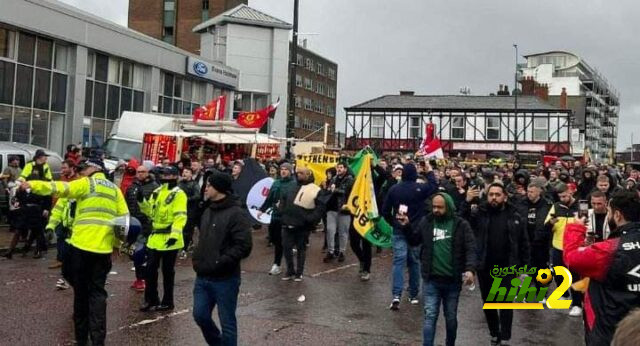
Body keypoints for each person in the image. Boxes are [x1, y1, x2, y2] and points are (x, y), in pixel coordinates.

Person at [20, 158, 128, 346]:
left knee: (81, 294)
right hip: (102, 251)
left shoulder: (86, 183)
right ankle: (98, 341)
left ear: (94, 168)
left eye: (84, 168)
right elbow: (124, 221)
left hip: (81, 248)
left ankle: (81, 340)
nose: (81, 172)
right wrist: (117, 245)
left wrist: (32, 184)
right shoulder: (115, 190)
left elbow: (60, 188)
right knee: (98, 295)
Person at [399, 192, 477, 346]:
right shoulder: (427, 222)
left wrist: (470, 269)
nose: (436, 210)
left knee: (450, 318)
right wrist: (407, 226)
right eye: (434, 206)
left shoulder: (461, 225)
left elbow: (470, 248)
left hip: (452, 281)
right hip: (431, 280)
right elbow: (415, 240)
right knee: (430, 316)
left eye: (440, 207)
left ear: (448, 207)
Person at [563, 190, 640, 345]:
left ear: (617, 215)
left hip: (608, 327)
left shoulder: (608, 250)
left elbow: (571, 258)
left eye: (609, 212)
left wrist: (576, 228)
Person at [461, 183, 529, 346]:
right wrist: (467, 201)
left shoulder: (515, 215)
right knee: (489, 303)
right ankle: (494, 333)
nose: (494, 197)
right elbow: (461, 222)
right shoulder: (480, 213)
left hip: (507, 267)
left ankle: (505, 337)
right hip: (486, 266)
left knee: (506, 302)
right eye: (491, 194)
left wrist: (524, 269)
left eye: (497, 194)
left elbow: (523, 243)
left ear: (504, 196)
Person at [192, 172, 252, 346]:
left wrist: (221, 261)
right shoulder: (208, 209)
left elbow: (244, 246)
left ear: (218, 188)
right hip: (203, 275)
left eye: (209, 185)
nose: (206, 188)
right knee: (200, 315)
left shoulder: (236, 213)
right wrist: (198, 258)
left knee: (227, 322)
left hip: (226, 278)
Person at [382, 161, 438, 310]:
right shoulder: (419, 188)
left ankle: (396, 295)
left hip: (399, 230)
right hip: (415, 230)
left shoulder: (394, 189)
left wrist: (394, 223)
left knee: (398, 263)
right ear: (414, 175)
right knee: (414, 262)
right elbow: (434, 186)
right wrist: (429, 171)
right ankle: (413, 294)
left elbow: (385, 210)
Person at [140, 166, 187, 312]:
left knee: (167, 272)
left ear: (174, 176)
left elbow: (180, 216)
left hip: (169, 238)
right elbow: (150, 212)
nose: (163, 177)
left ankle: (168, 301)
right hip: (155, 237)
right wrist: (141, 201)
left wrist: (174, 235)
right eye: (162, 174)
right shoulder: (157, 192)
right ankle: (151, 299)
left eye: (166, 174)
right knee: (150, 270)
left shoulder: (179, 194)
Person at [279, 167, 326, 281]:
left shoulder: (315, 189)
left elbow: (320, 207)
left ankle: (299, 272)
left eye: (301, 173)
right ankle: (290, 270)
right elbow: (283, 200)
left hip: (302, 225)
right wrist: (282, 213)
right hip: (288, 222)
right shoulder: (291, 186)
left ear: (308, 174)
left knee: (301, 248)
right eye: (298, 173)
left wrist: (310, 219)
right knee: (286, 247)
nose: (298, 175)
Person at [544, 183, 583, 317]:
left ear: (571, 192)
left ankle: (577, 304)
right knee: (558, 272)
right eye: (560, 196)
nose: (563, 199)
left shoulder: (580, 207)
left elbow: (588, 224)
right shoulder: (555, 207)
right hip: (558, 246)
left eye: (565, 196)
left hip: (574, 248)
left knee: (575, 276)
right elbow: (546, 226)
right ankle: (565, 294)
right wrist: (551, 223)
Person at [125, 164, 159, 292]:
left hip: (147, 226)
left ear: (148, 172)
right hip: (133, 225)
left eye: (143, 172)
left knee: (143, 253)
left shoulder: (155, 187)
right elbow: (126, 203)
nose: (140, 174)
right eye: (138, 172)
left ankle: (143, 279)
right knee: (133, 252)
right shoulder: (132, 186)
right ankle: (139, 278)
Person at [258, 162, 297, 275]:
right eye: (282, 169)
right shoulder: (276, 183)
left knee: (284, 242)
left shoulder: (294, 184)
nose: (283, 171)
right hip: (275, 216)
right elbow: (269, 198)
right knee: (275, 240)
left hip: (287, 217)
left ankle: (278, 264)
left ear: (290, 171)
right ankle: (280, 261)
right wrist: (262, 209)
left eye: (286, 169)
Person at [18, 149, 53, 258]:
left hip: (42, 197)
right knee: (34, 227)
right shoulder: (30, 166)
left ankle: (37, 249)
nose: (46, 158)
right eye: (44, 156)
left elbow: (49, 183)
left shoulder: (46, 167)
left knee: (38, 227)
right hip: (30, 197)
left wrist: (47, 207)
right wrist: (21, 187)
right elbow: (22, 177)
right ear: (38, 157)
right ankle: (35, 247)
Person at [519, 179, 552, 290]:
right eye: (528, 191)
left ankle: (542, 291)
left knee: (542, 268)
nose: (529, 194)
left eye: (532, 192)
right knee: (526, 267)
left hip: (541, 242)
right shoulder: (521, 204)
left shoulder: (547, 205)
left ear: (538, 192)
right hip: (525, 241)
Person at [324, 162, 354, 263]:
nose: (339, 169)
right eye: (338, 167)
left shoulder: (349, 178)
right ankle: (331, 251)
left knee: (343, 232)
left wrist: (334, 189)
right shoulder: (334, 178)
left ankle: (342, 252)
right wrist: (329, 189)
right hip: (332, 208)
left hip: (344, 209)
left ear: (345, 169)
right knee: (330, 230)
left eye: (341, 167)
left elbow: (344, 190)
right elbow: (329, 189)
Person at [45, 195, 75, 289]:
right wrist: (50, 227)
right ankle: (66, 280)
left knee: (79, 260)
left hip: (81, 234)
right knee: (66, 259)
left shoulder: (84, 197)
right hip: (66, 231)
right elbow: (57, 212)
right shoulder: (64, 197)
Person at [178, 167, 201, 260]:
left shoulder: (194, 184)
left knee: (187, 230)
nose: (184, 173)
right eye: (183, 172)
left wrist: (186, 199)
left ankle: (184, 249)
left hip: (190, 211)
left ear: (191, 174)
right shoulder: (179, 184)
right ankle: (186, 244)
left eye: (186, 172)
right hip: (179, 210)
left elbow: (197, 196)